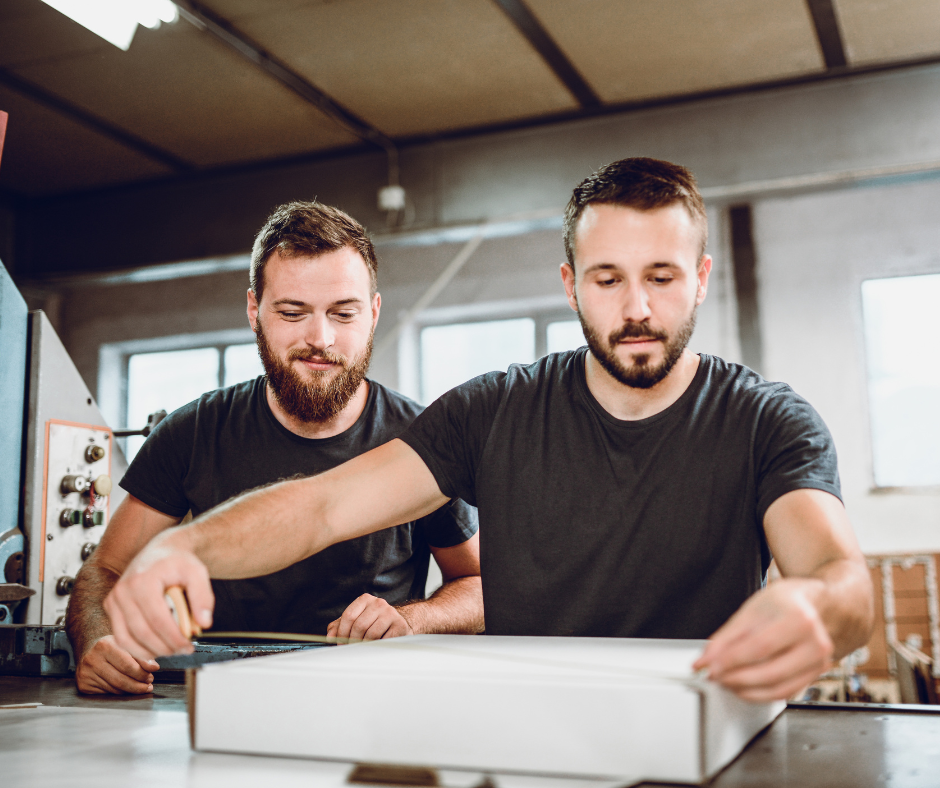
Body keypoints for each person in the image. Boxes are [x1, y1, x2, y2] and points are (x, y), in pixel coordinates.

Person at [104, 158, 874, 702]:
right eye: (608, 279)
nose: (636, 308)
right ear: (571, 283)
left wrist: (815, 609)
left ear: (701, 278)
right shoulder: (495, 411)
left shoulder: (769, 422)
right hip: (526, 744)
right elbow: (324, 506)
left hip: (701, 738)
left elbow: (838, 573)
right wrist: (184, 546)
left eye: (662, 277)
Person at [68, 202, 483, 695]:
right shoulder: (194, 431)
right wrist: (97, 639)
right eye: (292, 312)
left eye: (343, 313)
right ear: (253, 311)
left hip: (369, 697)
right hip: (213, 699)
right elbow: (107, 569)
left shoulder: (420, 441)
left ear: (372, 314)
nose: (320, 338)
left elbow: (479, 585)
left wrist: (415, 619)